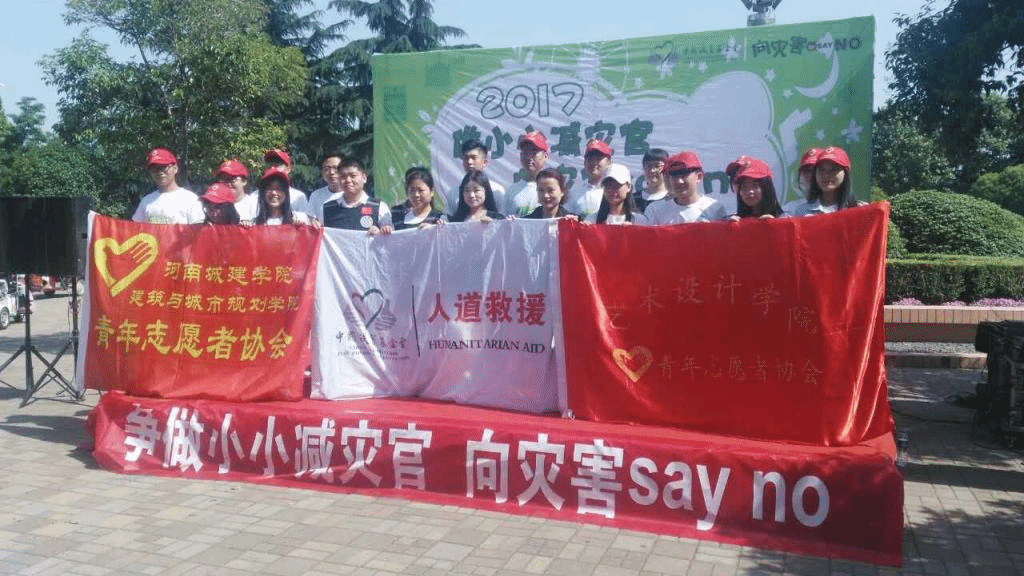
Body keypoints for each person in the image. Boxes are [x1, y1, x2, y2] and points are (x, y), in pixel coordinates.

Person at [644, 150, 726, 225]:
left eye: (684, 174)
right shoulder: (655, 211)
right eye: (674, 175)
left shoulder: (715, 208)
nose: (679, 181)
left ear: (699, 177)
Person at [316, 158, 392, 233]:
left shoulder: (379, 207)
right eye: (343, 177)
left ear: (364, 178)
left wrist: (381, 232)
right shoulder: (327, 209)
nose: (348, 180)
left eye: (353, 176)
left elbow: (389, 236)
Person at [132, 148, 203, 224]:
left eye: (164, 167)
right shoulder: (146, 201)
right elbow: (135, 228)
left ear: (175, 169)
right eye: (155, 169)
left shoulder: (190, 199)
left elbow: (198, 229)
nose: (160, 172)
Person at [791, 146, 859, 216]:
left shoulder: (858, 209)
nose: (826, 175)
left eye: (834, 169)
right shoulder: (801, 211)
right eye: (821, 169)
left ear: (845, 173)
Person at [503, 130, 548, 217]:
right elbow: (503, 222)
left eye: (534, 152)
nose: (529, 156)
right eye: (525, 152)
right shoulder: (511, 191)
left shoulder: (553, 190)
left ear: (545, 156)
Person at [568, 138, 612, 220]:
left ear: (609, 162)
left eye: (598, 158)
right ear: (584, 162)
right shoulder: (574, 193)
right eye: (590, 158)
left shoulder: (614, 193)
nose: (594, 162)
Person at [458, 139, 505, 211]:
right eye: (466, 158)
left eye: (474, 158)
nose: (469, 162)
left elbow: (502, 216)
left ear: (485, 162)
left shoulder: (497, 191)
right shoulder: (454, 194)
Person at [264, 149, 309, 214]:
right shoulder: (254, 198)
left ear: (288, 169)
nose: (272, 168)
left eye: (277, 165)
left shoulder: (299, 197)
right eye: (270, 165)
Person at [215, 159, 258, 224]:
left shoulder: (255, 205)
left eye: (232, 179)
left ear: (244, 181)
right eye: (224, 179)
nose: (228, 183)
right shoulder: (214, 206)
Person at [306, 151, 344, 223]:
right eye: (327, 169)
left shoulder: (353, 195)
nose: (331, 172)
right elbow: (310, 219)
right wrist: (313, 222)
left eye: (335, 168)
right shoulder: (316, 195)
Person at [782, 147, 821, 214]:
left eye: (815, 170)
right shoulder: (789, 209)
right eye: (807, 171)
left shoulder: (838, 207)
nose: (811, 175)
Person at [633, 148, 670, 212]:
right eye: (648, 166)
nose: (652, 170)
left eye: (657, 166)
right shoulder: (633, 199)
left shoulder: (671, 199)